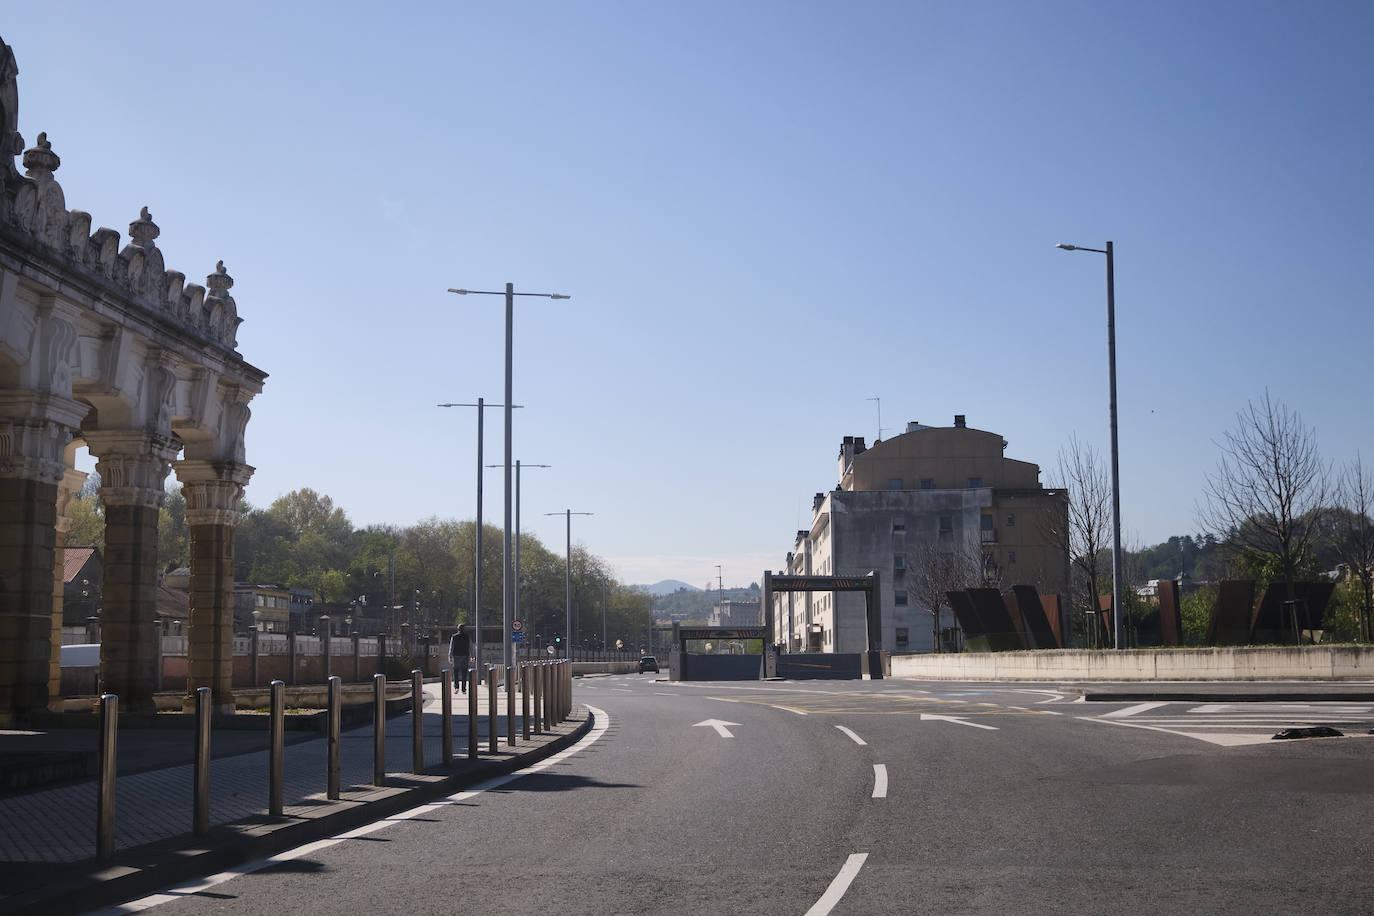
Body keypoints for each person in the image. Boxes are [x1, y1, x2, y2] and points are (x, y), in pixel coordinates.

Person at [448, 624, 471, 693]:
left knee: (456, 672)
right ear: (464, 629)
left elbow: (451, 647)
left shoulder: (454, 637)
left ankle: (456, 687)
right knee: (464, 673)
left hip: (456, 656)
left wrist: (449, 656)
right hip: (465, 655)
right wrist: (473, 656)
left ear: (458, 629)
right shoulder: (467, 637)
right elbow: (471, 646)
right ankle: (463, 689)